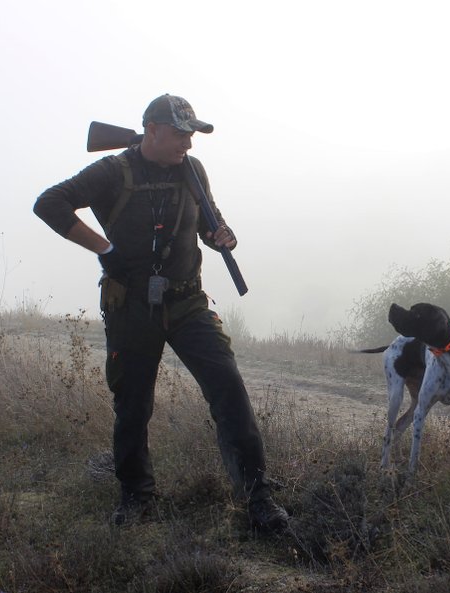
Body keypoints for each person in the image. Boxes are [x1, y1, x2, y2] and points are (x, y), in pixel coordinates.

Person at [33, 94, 289, 531]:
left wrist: (219, 234)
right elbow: (49, 203)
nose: (188, 143)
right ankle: (136, 497)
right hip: (131, 304)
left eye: (192, 134)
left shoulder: (192, 169)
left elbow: (208, 221)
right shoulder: (112, 171)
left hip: (188, 301)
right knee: (132, 406)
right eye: (180, 133)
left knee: (229, 390)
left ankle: (257, 498)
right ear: (151, 130)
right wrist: (104, 248)